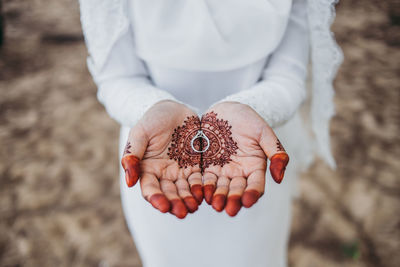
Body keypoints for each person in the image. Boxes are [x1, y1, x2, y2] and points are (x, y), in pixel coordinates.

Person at [79, 0, 343, 266]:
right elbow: (117, 77)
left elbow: (288, 75)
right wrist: (152, 107)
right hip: (157, 155)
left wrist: (251, 107)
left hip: (251, 155)